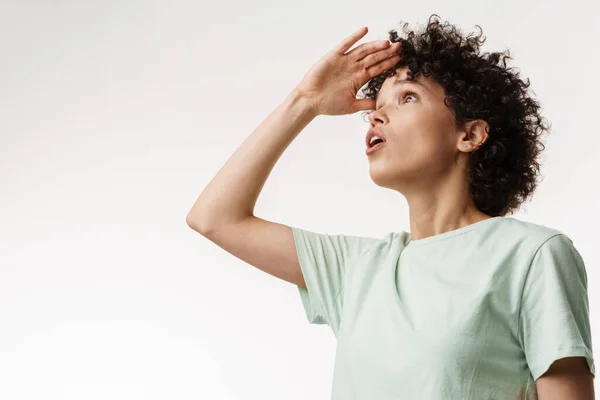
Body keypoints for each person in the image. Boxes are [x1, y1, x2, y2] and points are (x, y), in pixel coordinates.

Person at [186, 14, 595, 399]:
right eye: (377, 104)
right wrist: (304, 101)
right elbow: (214, 218)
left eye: (408, 98)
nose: (376, 116)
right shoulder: (357, 269)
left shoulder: (531, 255)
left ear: (469, 135)